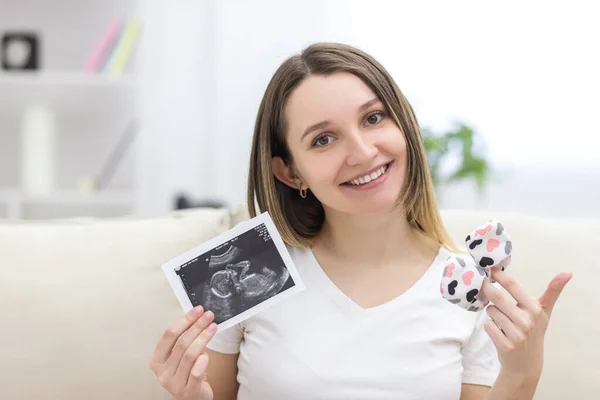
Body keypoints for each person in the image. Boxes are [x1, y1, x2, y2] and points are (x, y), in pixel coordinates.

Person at [149, 42, 572, 400]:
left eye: (373, 118)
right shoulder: (245, 268)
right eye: (323, 139)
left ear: (403, 125)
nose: (363, 152)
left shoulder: (471, 287)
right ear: (289, 172)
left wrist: (522, 372)